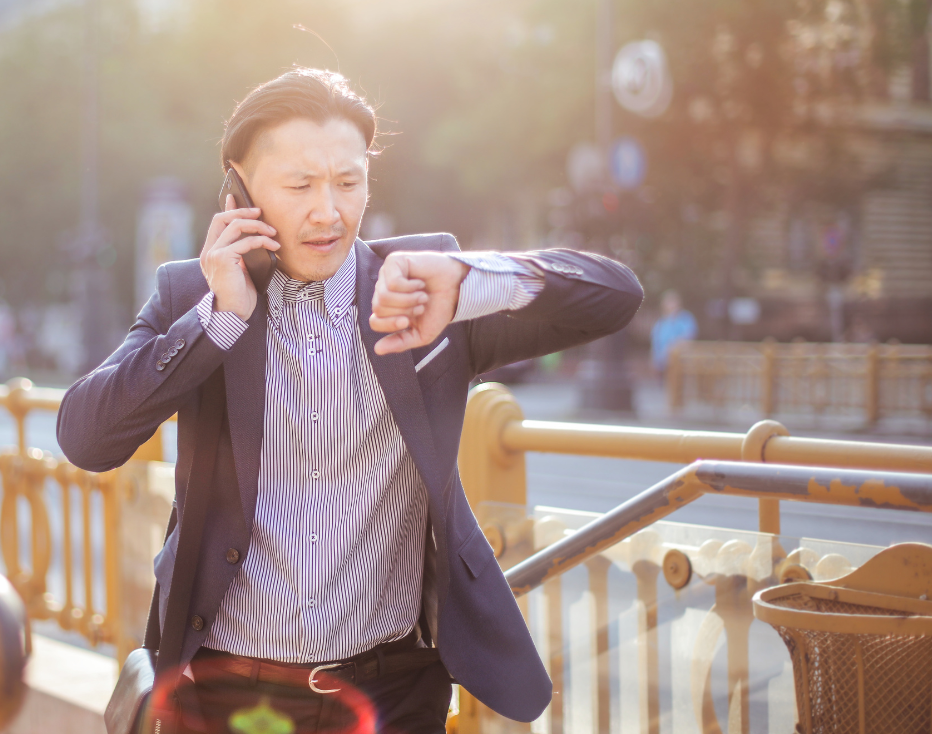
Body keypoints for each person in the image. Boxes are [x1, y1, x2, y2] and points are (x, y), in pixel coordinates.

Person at [57, 69, 643, 733]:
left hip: (391, 693)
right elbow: (86, 438)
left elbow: (616, 295)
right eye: (300, 185)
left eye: (348, 181)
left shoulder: (422, 286)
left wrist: (473, 279)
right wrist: (216, 320)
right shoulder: (189, 294)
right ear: (239, 189)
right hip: (227, 693)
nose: (328, 213)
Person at [650, 289, 697, 375]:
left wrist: (672, 347)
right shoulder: (660, 323)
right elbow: (655, 345)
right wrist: (655, 362)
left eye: (673, 301)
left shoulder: (685, 319)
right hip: (663, 365)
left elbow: (688, 337)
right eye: (668, 302)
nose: (671, 305)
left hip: (681, 364)